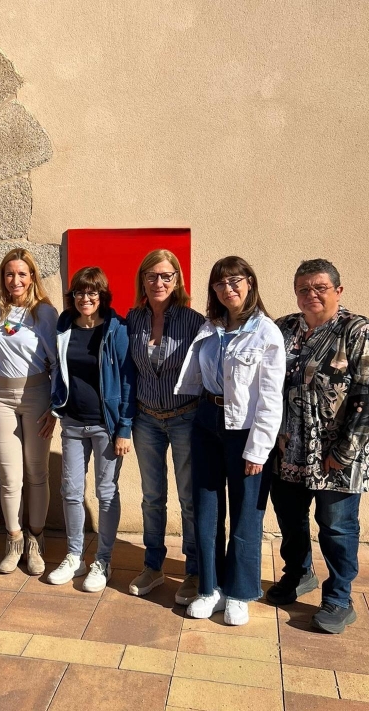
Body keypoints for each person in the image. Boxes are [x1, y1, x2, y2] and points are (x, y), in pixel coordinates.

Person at [267, 259, 369, 634]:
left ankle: (339, 597)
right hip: (288, 449)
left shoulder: (357, 330)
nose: (311, 294)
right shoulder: (284, 327)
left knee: (336, 526)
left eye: (319, 287)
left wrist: (345, 450)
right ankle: (299, 573)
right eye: (303, 288)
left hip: (337, 452)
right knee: (290, 517)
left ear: (338, 290)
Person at [175, 256, 285, 626]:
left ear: (250, 283)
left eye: (235, 281)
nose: (228, 289)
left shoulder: (266, 332)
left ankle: (239, 592)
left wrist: (259, 448)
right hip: (207, 420)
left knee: (245, 513)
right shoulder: (211, 327)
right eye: (220, 284)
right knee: (206, 508)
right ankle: (211, 588)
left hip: (245, 430)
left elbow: (271, 398)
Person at [48, 267, 135, 591]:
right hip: (72, 423)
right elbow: (57, 368)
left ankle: (103, 560)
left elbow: (128, 379)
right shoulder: (64, 325)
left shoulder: (116, 329)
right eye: (80, 293)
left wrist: (124, 427)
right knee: (70, 492)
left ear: (102, 296)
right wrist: (54, 403)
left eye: (92, 293)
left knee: (106, 493)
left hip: (106, 426)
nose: (86, 298)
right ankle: (74, 557)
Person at [126, 250, 204, 603]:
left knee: (189, 498)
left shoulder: (194, 321)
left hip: (185, 418)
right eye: (151, 276)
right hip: (146, 420)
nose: (158, 282)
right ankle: (153, 565)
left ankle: (193, 570)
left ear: (177, 280)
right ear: (142, 280)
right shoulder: (132, 319)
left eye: (166, 276)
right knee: (152, 497)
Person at [0, 248, 58, 575]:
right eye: (9, 273)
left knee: (37, 472)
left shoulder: (44, 313)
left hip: (36, 395)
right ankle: (14, 539)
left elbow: (58, 361)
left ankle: (36, 538)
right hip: (1, 396)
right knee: (9, 477)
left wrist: (56, 407)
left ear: (32, 277)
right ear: (2, 277)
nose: (15, 280)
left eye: (22, 273)